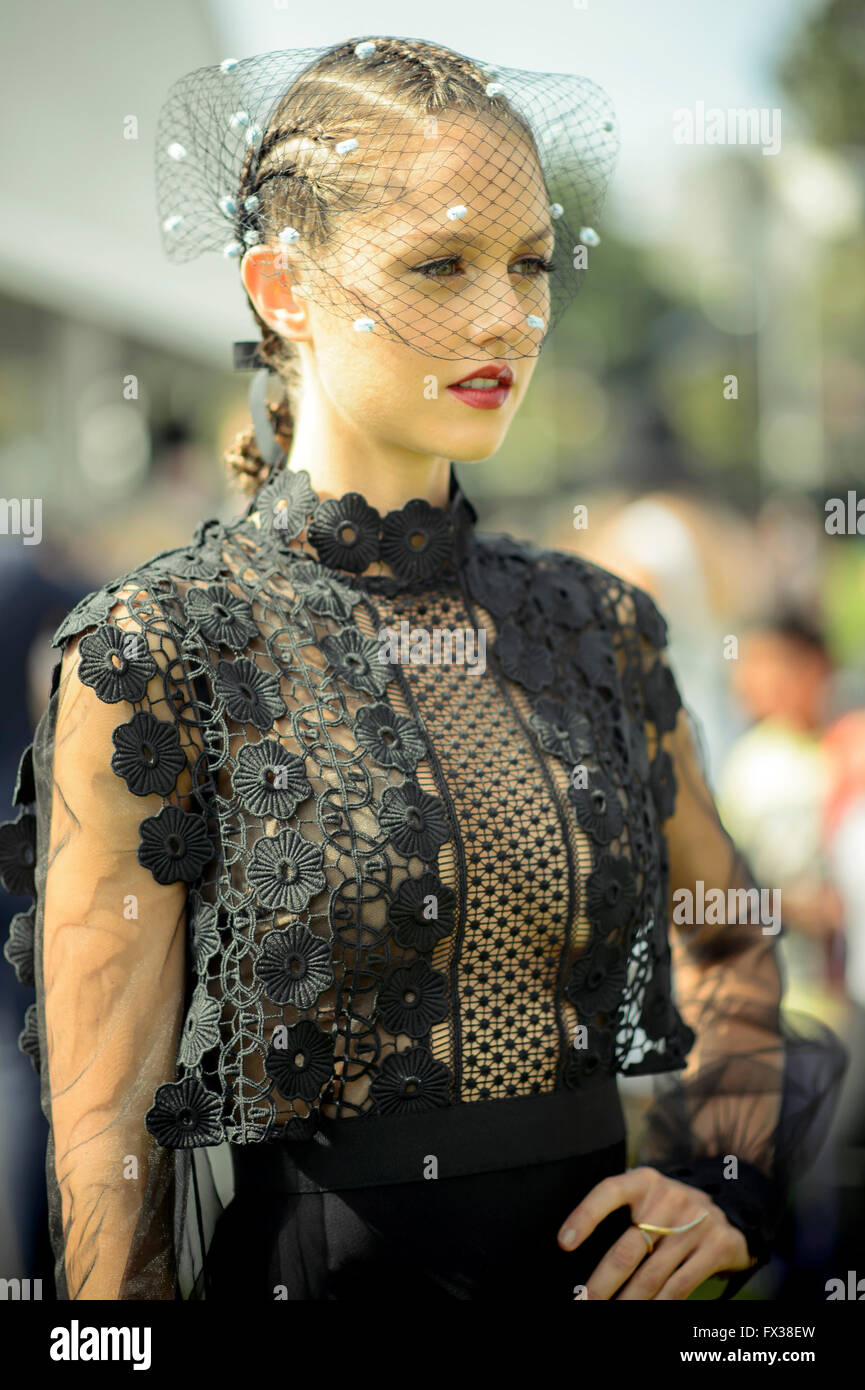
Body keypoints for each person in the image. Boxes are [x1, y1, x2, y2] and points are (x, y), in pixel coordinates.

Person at [0, 34, 846, 1302]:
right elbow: (105, 1148)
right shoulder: (158, 652)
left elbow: (724, 943)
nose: (508, 312)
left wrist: (724, 1179)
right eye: (440, 264)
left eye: (528, 264)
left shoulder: (599, 625)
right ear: (282, 288)